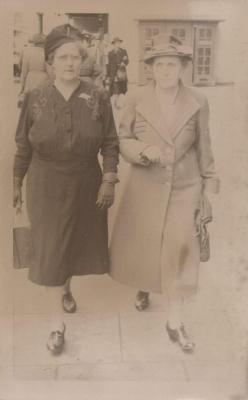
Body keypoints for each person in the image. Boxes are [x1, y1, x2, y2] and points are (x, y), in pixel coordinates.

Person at [13, 24, 119, 355]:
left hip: (87, 181)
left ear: (82, 62)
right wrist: (16, 182)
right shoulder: (34, 97)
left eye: (75, 57)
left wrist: (109, 178)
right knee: (49, 250)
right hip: (45, 184)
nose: (70, 63)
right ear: (50, 63)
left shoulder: (99, 97)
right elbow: (22, 146)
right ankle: (55, 326)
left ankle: (65, 287)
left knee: (71, 244)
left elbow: (111, 142)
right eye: (63, 57)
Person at [110, 37, 220, 353]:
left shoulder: (198, 100)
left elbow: (204, 146)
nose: (165, 70)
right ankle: (145, 285)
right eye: (159, 64)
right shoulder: (136, 97)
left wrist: (208, 189)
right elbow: (122, 137)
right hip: (145, 183)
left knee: (179, 248)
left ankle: (175, 321)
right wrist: (143, 150)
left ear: (183, 67)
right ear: (150, 70)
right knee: (148, 242)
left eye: (172, 64)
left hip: (185, 187)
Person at [18, 33, 48, 105]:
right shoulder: (46, 54)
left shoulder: (27, 53)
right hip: (43, 80)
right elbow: (50, 72)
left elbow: (24, 72)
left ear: (34, 42)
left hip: (30, 80)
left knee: (30, 105)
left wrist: (22, 87)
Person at [106, 37, 129, 108]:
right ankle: (116, 103)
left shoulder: (123, 51)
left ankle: (119, 102)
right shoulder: (110, 53)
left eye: (119, 43)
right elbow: (108, 64)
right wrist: (108, 74)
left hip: (121, 72)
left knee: (121, 88)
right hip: (113, 73)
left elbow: (127, 60)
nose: (118, 44)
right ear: (114, 44)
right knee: (116, 88)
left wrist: (124, 63)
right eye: (116, 43)